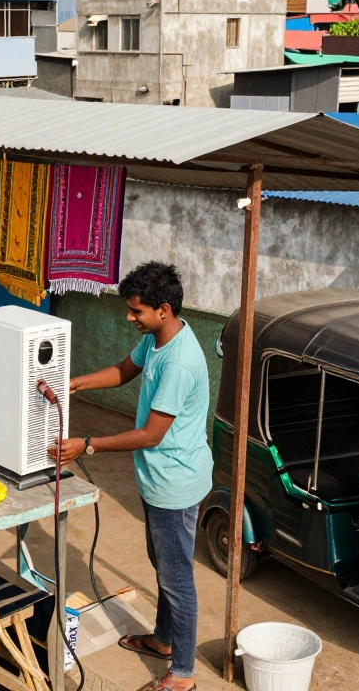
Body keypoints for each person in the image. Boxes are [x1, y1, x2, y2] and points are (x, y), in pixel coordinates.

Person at [50, 262, 211, 691]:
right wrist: (75, 384)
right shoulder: (159, 337)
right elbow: (124, 370)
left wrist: (87, 444)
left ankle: (183, 674)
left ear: (162, 309)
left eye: (136, 311)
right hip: (158, 482)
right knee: (165, 568)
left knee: (178, 581)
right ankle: (163, 640)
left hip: (175, 485)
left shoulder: (180, 362)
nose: (129, 317)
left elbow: (151, 434)